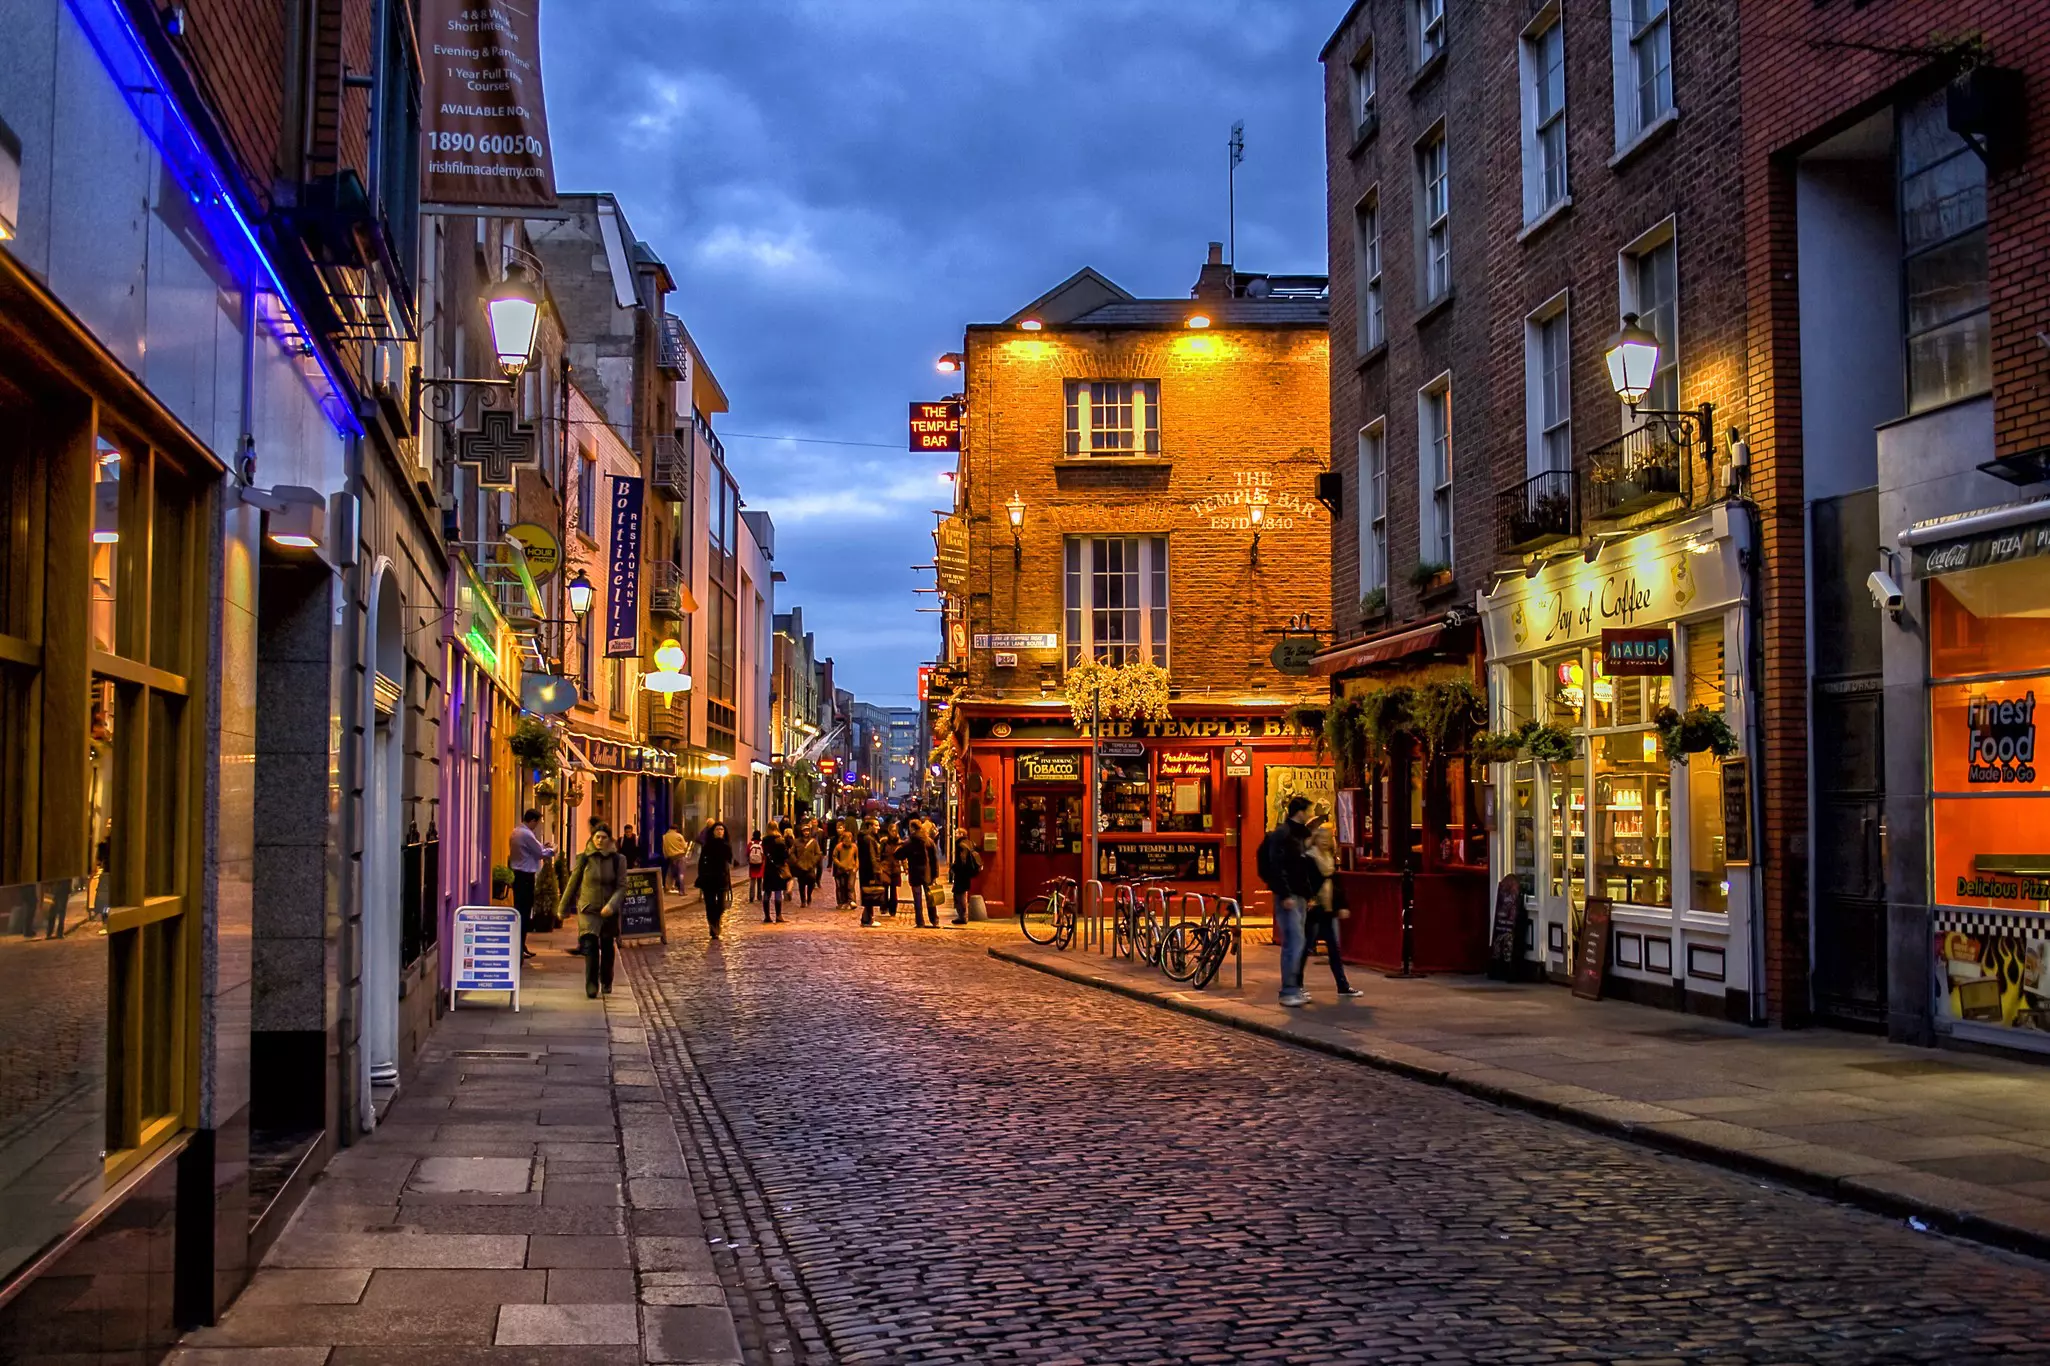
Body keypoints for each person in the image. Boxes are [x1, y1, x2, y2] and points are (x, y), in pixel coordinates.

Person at [1258, 795, 1323, 1008]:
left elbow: (1303, 867)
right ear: (1300, 812)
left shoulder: (1300, 835)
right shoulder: (1283, 835)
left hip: (1300, 895)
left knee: (1300, 943)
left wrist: (1309, 892)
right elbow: (1276, 865)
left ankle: (1295, 987)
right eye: (1309, 811)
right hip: (1290, 896)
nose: (1311, 815)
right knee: (1294, 943)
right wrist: (1284, 893)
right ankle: (1288, 990)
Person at [559, 823, 627, 998]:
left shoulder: (618, 860)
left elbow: (621, 887)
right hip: (588, 909)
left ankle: (606, 979)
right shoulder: (584, 858)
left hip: (608, 911)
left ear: (609, 839)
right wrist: (562, 907)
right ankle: (591, 984)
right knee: (589, 946)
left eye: (603, 837)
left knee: (606, 945)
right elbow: (572, 883)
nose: (599, 840)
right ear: (592, 838)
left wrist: (611, 906)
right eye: (597, 837)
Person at [1303, 819, 1360, 998]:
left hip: (1327, 909)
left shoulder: (1329, 858)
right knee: (1305, 948)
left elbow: (1336, 884)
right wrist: (1309, 898)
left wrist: (1342, 905)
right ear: (1316, 838)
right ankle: (1294, 985)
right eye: (1322, 837)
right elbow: (1307, 881)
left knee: (1333, 948)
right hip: (1315, 908)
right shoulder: (1310, 857)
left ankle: (1343, 986)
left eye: (1329, 837)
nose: (1326, 840)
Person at [508, 808, 554, 961]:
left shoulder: (516, 832)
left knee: (520, 910)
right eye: (537, 822)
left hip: (517, 874)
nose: (537, 825)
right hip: (525, 876)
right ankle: (520, 946)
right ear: (532, 820)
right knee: (524, 913)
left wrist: (542, 847)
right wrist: (552, 850)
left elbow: (533, 849)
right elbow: (541, 853)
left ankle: (521, 946)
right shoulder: (526, 834)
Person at [695, 820, 735, 939]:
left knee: (721, 905)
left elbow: (730, 860)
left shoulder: (726, 845)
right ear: (713, 832)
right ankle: (713, 926)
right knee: (710, 904)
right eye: (717, 829)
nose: (720, 831)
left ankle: (716, 921)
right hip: (708, 878)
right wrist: (702, 874)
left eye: (722, 829)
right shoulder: (707, 845)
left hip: (722, 878)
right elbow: (701, 862)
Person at [899, 820, 938, 927]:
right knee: (930, 898)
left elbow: (898, 854)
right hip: (927, 873)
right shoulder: (929, 841)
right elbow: (934, 859)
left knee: (917, 899)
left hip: (915, 872)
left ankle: (920, 922)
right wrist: (935, 875)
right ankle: (934, 920)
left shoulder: (910, 842)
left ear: (912, 828)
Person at [948, 828, 981, 925]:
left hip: (961, 874)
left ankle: (962, 916)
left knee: (959, 894)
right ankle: (962, 915)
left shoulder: (961, 845)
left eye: (957, 833)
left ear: (961, 834)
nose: (955, 834)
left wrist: (954, 867)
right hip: (966, 874)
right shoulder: (969, 843)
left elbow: (962, 860)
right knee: (962, 893)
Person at [857, 819, 886, 926]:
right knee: (870, 894)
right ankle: (868, 919)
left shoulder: (867, 838)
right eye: (876, 825)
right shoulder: (869, 839)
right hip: (869, 871)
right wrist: (876, 871)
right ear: (869, 826)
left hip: (866, 870)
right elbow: (872, 857)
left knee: (869, 894)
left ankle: (867, 918)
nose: (878, 827)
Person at [760, 823, 791, 923]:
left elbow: (765, 853)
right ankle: (778, 915)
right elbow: (785, 856)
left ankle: (767, 916)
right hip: (778, 868)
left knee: (767, 892)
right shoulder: (780, 840)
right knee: (778, 892)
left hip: (769, 868)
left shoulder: (764, 840)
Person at [792, 824, 824, 906]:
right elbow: (792, 853)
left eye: (807, 831)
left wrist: (813, 861)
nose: (806, 832)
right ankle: (803, 900)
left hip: (810, 866)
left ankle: (809, 896)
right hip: (800, 866)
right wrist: (796, 862)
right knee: (801, 885)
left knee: (811, 882)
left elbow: (818, 853)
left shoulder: (813, 842)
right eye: (804, 831)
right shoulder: (796, 842)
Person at [831, 826, 859, 908]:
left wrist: (856, 867)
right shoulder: (839, 847)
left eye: (849, 838)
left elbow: (856, 857)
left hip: (851, 869)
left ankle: (851, 901)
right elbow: (834, 856)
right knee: (841, 886)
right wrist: (840, 864)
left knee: (850, 885)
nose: (848, 840)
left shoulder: (854, 847)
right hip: (841, 870)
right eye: (846, 838)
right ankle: (841, 902)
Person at [662, 825, 689, 892]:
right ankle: (682, 891)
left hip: (671, 857)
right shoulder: (679, 836)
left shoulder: (665, 837)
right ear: (676, 829)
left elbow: (664, 848)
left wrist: (666, 855)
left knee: (670, 873)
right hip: (680, 856)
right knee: (681, 873)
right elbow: (684, 846)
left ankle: (667, 888)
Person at [746, 830, 765, 901]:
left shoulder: (750, 844)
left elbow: (747, 853)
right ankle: (759, 896)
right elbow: (764, 855)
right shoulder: (762, 843)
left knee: (752, 880)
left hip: (752, 865)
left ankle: (751, 896)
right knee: (760, 880)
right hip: (760, 864)